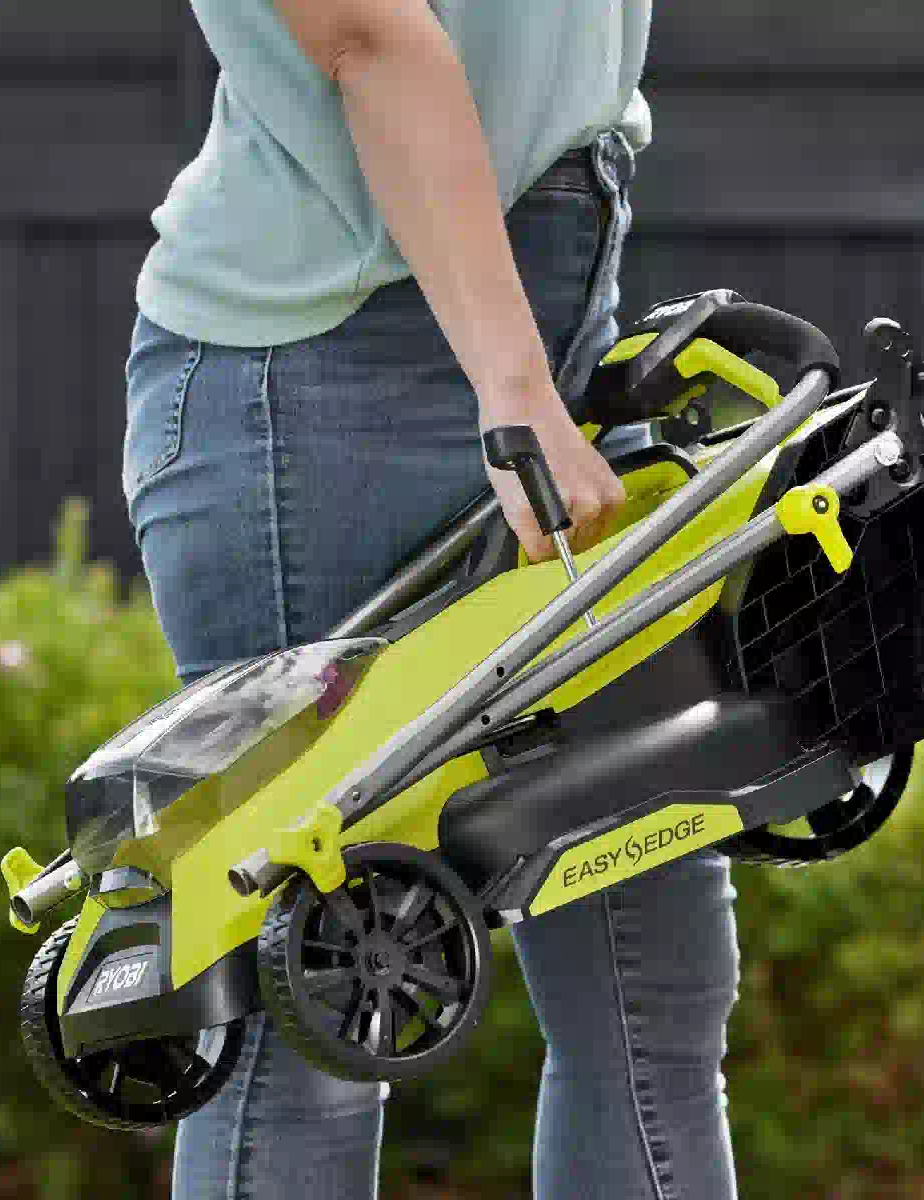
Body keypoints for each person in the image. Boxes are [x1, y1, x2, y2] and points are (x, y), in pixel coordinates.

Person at [121, 1, 741, 1196]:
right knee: (311, 1005)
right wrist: (513, 385)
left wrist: (530, 379)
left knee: (649, 996)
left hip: (547, 348)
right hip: (326, 379)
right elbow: (369, 35)